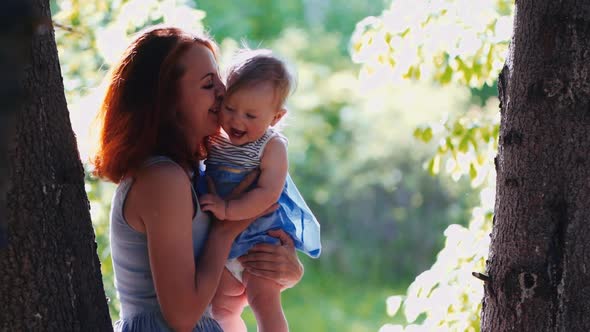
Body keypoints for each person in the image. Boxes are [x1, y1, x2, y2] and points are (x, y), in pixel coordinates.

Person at [92, 27, 304, 332]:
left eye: (219, 79)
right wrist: (225, 232)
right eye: (208, 84)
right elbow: (182, 318)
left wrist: (284, 269)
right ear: (167, 101)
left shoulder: (192, 173)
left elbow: (214, 273)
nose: (223, 90)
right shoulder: (162, 180)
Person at [199, 49, 321, 332]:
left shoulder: (272, 146)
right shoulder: (216, 136)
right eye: (230, 108)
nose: (237, 121)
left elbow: (267, 193)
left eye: (251, 115)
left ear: (275, 117)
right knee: (221, 308)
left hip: (260, 241)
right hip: (225, 247)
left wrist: (228, 210)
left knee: (263, 302)